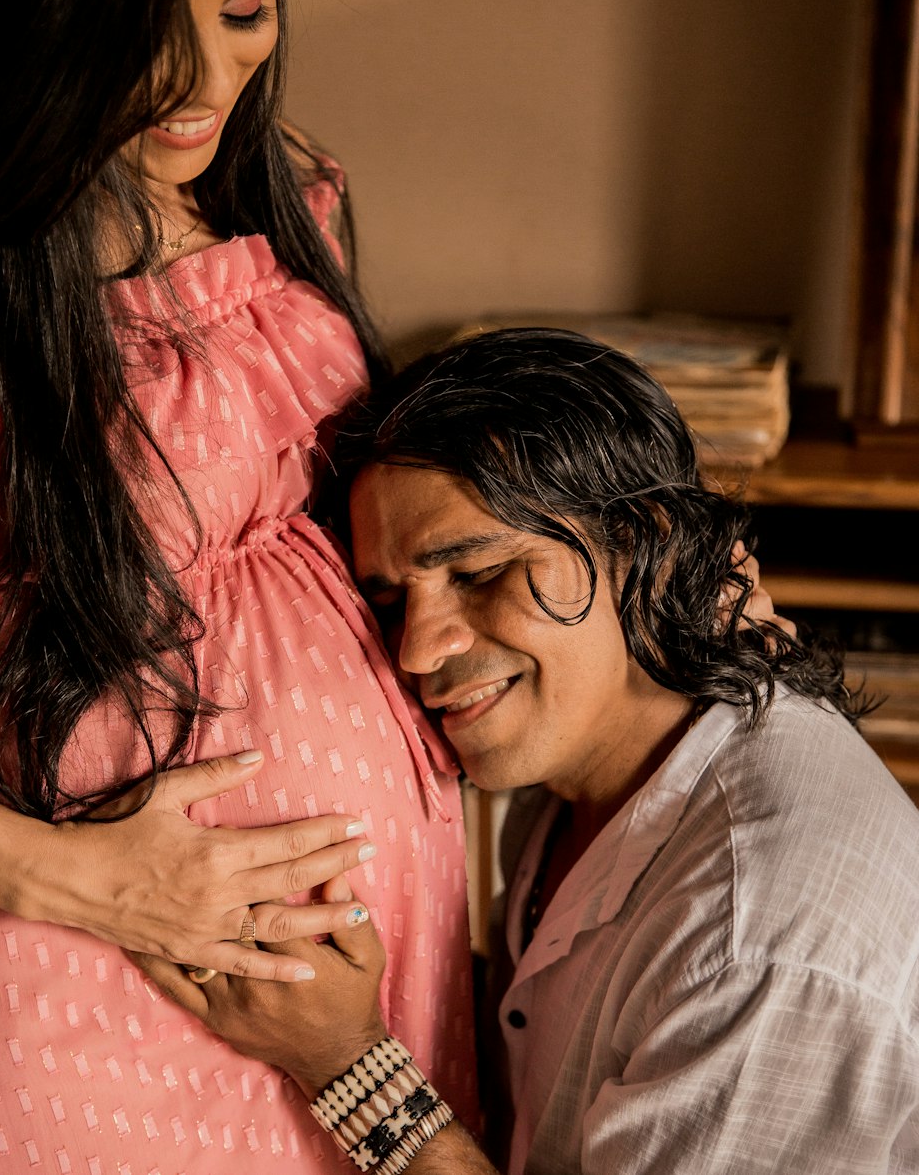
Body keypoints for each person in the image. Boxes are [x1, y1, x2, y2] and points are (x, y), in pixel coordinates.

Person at [0, 0, 477, 1170]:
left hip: (354, 990)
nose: (200, 85)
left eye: (242, 13)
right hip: (87, 985)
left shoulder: (275, 183)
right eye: (137, 41)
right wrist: (73, 881)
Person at [142, 329, 919, 1174]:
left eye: (478, 573)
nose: (417, 650)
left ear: (643, 544)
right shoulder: (595, 770)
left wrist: (348, 1063)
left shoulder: (755, 943)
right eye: (393, 600)